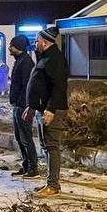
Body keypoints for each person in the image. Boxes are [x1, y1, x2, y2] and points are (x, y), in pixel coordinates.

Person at [24, 27, 69, 198]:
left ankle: (53, 185)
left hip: (52, 110)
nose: (35, 44)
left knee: (52, 146)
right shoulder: (45, 58)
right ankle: (50, 183)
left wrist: (51, 109)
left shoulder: (55, 59)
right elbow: (39, 84)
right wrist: (32, 105)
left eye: (36, 41)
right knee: (46, 146)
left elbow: (59, 86)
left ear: (44, 42)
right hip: (43, 109)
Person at [7, 35, 38, 178]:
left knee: (26, 138)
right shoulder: (20, 61)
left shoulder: (26, 63)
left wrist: (24, 105)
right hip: (17, 106)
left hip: (23, 107)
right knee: (19, 138)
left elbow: (28, 86)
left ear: (18, 47)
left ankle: (33, 168)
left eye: (12, 46)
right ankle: (26, 166)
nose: (9, 48)